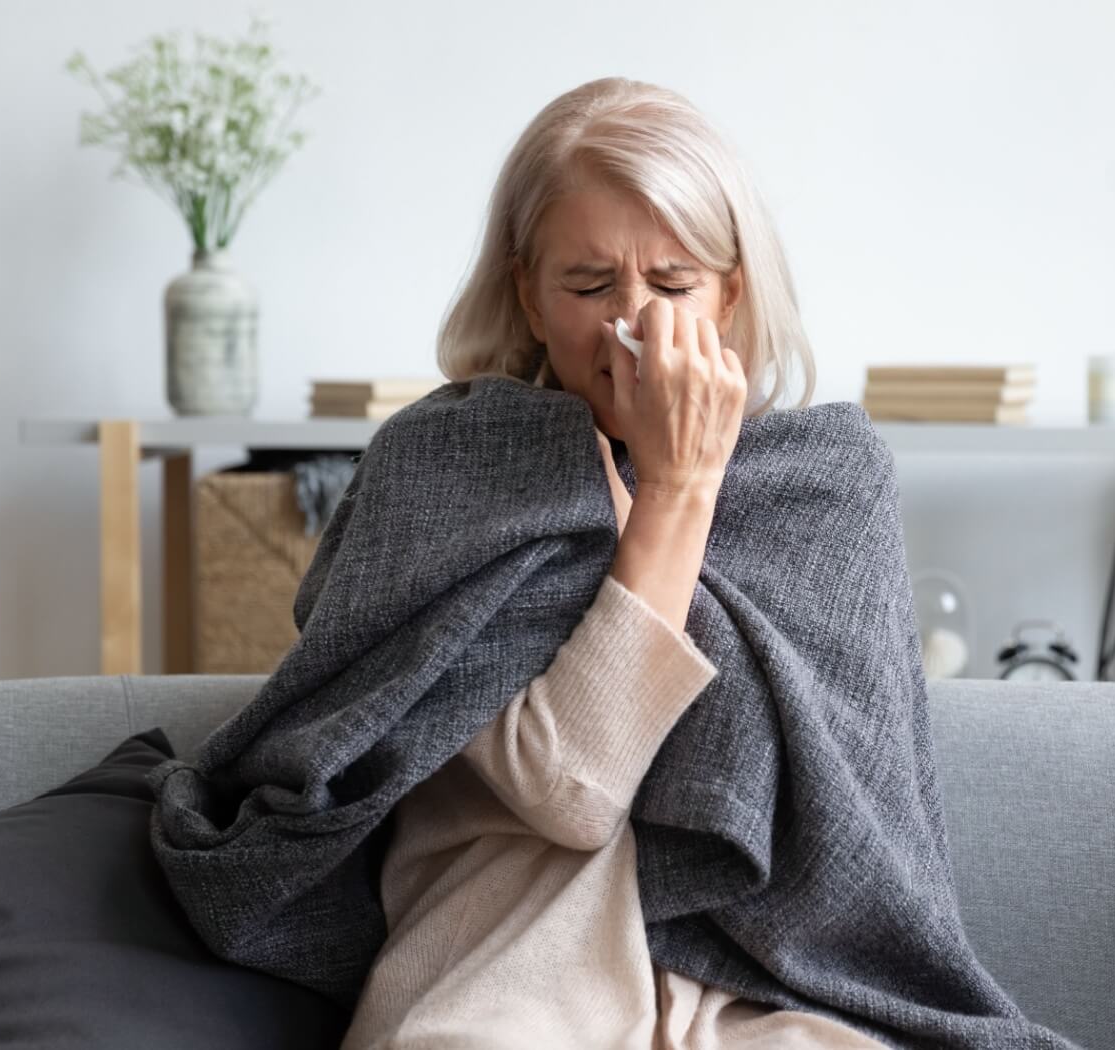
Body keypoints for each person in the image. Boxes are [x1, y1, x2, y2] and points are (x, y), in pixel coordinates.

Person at [340, 76, 890, 1049]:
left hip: (766, 994)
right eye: (589, 287)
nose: (634, 322)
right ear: (526, 293)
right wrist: (678, 488)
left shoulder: (825, 483)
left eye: (673, 285)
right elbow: (568, 790)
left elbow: (866, 833)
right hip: (504, 978)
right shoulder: (441, 468)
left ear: (730, 293)